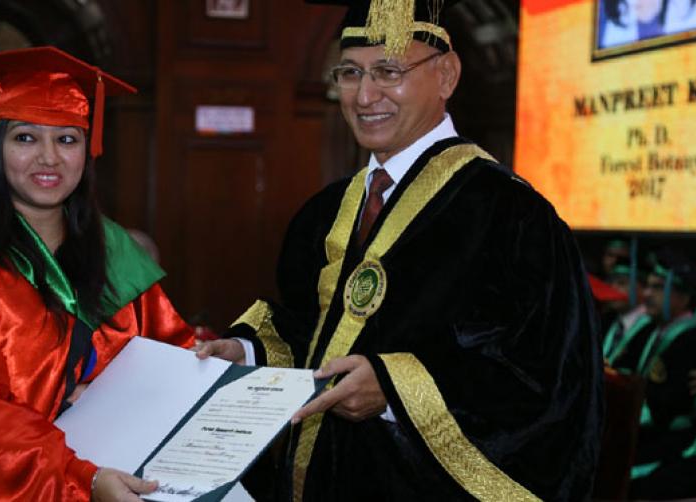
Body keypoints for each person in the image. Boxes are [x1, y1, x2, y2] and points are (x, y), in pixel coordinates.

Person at [198, 0, 603, 499]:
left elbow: (548, 380)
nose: (365, 95)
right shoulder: (324, 212)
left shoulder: (513, 217)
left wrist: (392, 390)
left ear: (446, 75)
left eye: (388, 71)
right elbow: (313, 329)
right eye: (350, 72)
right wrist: (246, 351)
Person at [0, 47, 196, 501]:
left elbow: (172, 356)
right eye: (26, 138)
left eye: (67, 139)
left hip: (107, 472)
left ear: (87, 150)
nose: (49, 157)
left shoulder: (113, 249)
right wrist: (81, 478)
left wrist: (228, 366)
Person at [629, 252, 696, 499]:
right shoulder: (648, 332)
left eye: (658, 288)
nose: (647, 294)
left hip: (672, 440)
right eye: (648, 286)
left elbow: (671, 404)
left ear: (683, 296)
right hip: (639, 432)